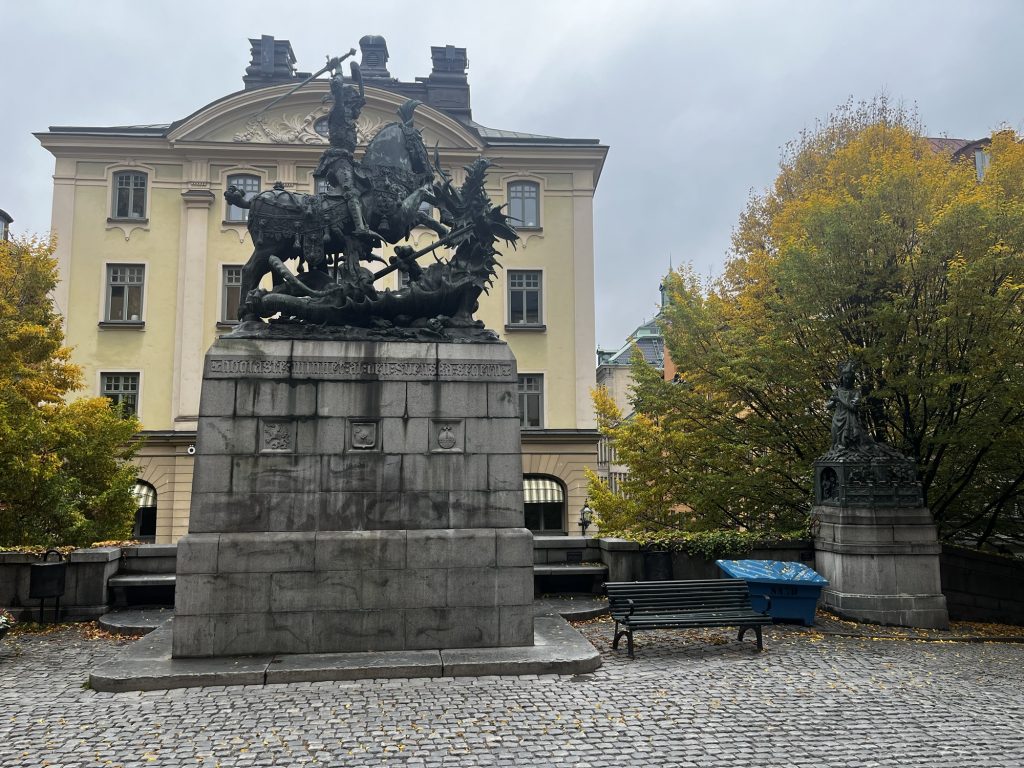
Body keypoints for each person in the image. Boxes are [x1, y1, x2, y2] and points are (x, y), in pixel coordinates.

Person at [313, 58, 373, 238]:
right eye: (354, 103)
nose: (357, 110)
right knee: (350, 191)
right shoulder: (338, 112)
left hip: (348, 160)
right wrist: (338, 68)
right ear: (347, 102)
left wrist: (358, 76)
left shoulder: (349, 116)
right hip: (337, 160)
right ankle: (360, 227)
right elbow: (338, 87)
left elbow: (361, 99)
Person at [827, 361, 867, 450]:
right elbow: (828, 406)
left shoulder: (856, 392)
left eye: (850, 379)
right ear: (842, 378)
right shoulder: (837, 391)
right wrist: (833, 402)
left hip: (850, 419)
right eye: (846, 378)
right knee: (835, 439)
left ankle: (848, 450)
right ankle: (837, 451)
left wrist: (839, 400)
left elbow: (854, 408)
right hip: (837, 418)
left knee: (847, 441)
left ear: (853, 380)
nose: (847, 381)